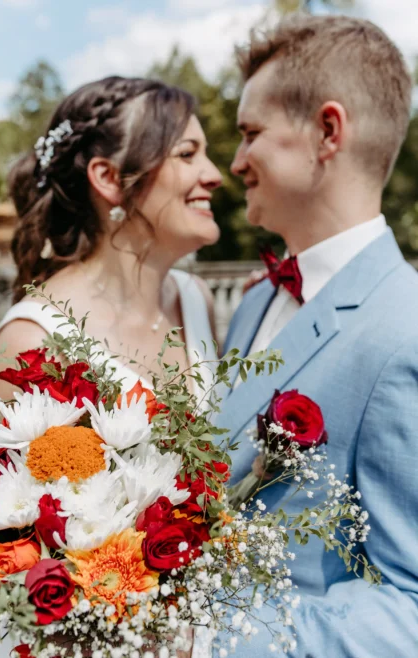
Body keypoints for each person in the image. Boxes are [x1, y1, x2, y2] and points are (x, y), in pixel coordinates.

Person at [217, 14, 418, 657]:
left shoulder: (405, 332)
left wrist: (206, 639)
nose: (236, 160)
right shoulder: (254, 305)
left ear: (327, 132)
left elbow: (408, 607)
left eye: (251, 134)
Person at [0, 76, 222, 408]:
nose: (214, 175)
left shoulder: (195, 299)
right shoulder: (29, 344)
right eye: (187, 154)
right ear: (109, 179)